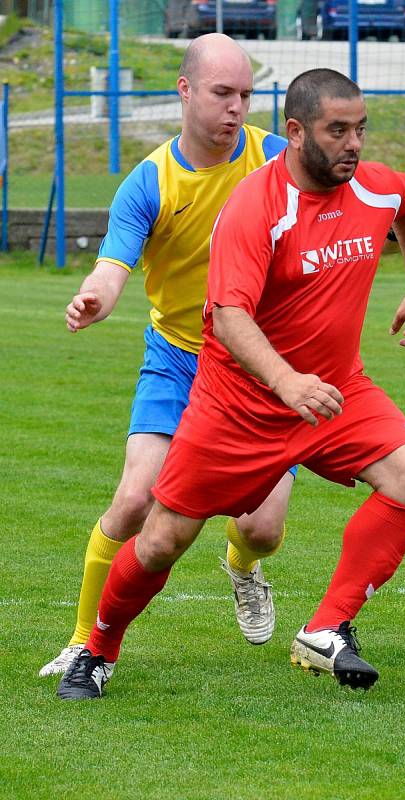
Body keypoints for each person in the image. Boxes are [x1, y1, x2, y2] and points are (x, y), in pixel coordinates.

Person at [56, 67, 405, 701]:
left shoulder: (373, 189)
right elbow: (228, 316)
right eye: (337, 131)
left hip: (335, 390)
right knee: (160, 539)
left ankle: (325, 628)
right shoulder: (255, 205)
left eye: (360, 129)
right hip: (238, 406)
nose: (354, 145)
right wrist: (286, 382)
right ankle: (97, 649)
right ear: (295, 133)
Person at [39, 34, 296, 678]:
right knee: (134, 501)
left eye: (245, 94)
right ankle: (83, 640)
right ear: (184, 91)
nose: (237, 107)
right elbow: (112, 265)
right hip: (179, 360)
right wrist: (93, 298)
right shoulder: (149, 181)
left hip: (256, 368)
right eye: (221, 94)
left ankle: (242, 566)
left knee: (261, 528)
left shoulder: (275, 160)